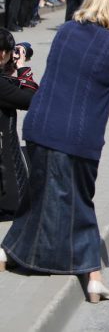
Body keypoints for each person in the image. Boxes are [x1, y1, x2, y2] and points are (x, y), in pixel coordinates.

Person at [0, 0, 109, 301]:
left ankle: (7, 254)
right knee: (79, 202)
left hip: (40, 126)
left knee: (39, 194)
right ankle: (93, 275)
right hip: (77, 136)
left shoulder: (67, 31)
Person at [0, 31, 39, 222]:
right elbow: (33, 100)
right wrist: (22, 68)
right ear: (2, 54)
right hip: (5, 176)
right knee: (20, 206)